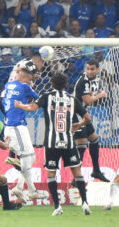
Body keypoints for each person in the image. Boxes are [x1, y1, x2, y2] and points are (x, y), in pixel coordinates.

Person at [14, 74, 93, 216]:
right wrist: (79, 124)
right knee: (77, 172)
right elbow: (87, 117)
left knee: (51, 173)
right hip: (68, 142)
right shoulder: (72, 99)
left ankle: (57, 206)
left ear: (51, 83)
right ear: (66, 84)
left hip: (51, 143)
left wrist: (20, 105)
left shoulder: (47, 96)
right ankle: (85, 203)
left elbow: (32, 108)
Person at [2, 66, 46, 203]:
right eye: (29, 79)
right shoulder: (25, 86)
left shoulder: (8, 85)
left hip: (13, 126)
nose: (30, 81)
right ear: (24, 77)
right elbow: (37, 99)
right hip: (16, 127)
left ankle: (19, 188)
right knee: (28, 157)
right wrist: (31, 86)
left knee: (31, 158)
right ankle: (33, 191)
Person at [73, 59, 110, 182]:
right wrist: (101, 95)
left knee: (94, 139)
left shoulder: (95, 79)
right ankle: (76, 178)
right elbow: (88, 100)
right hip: (75, 114)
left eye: (92, 69)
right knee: (82, 144)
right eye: (87, 68)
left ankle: (96, 171)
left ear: (97, 69)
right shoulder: (83, 81)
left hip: (84, 113)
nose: (89, 71)